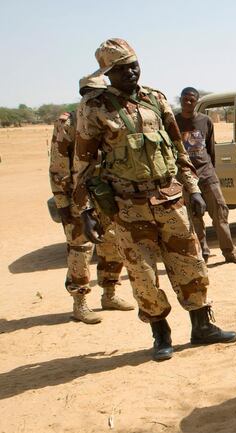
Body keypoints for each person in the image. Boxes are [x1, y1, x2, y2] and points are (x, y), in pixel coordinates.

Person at [72, 38, 236, 361]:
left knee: (191, 263)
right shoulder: (94, 108)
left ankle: (202, 326)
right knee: (143, 275)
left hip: (169, 199)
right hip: (127, 208)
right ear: (107, 74)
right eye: (121, 70)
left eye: (134, 65)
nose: (131, 73)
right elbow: (84, 164)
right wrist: (86, 210)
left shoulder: (156, 99)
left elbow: (179, 151)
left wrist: (192, 189)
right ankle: (161, 335)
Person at [49, 75, 135, 324]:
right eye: (91, 93)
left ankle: (109, 294)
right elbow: (58, 168)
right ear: (83, 94)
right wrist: (63, 204)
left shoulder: (107, 118)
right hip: (77, 196)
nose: (96, 98)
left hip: (106, 194)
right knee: (80, 249)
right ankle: (80, 302)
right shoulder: (68, 122)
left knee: (112, 243)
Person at [176, 87, 236, 264]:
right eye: (185, 98)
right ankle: (203, 255)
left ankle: (230, 253)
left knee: (220, 215)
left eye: (192, 99)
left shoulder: (205, 121)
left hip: (207, 175)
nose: (188, 102)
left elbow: (211, 149)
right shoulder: (173, 122)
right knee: (194, 218)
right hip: (186, 178)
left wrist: (210, 171)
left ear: (197, 101)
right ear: (181, 100)